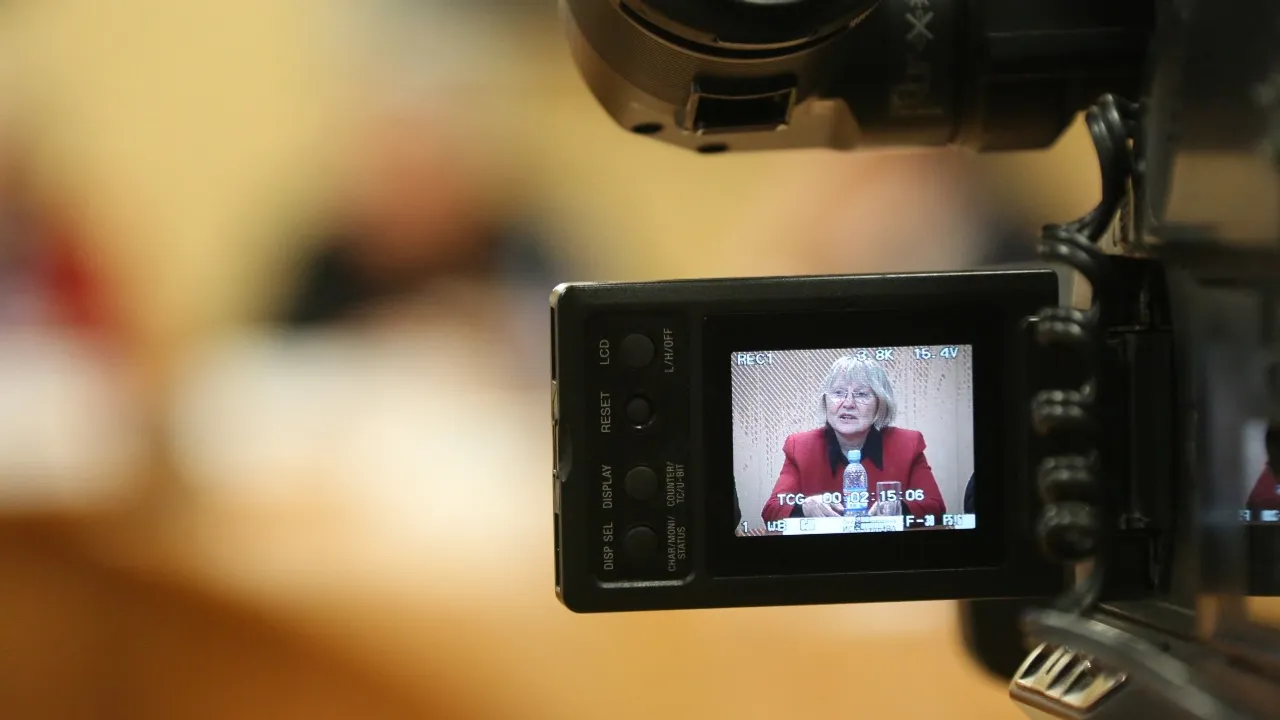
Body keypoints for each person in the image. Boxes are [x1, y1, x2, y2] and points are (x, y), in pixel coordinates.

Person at [760, 356, 947, 525]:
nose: (848, 403)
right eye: (838, 393)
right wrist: (804, 508)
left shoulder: (907, 445)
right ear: (825, 401)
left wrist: (898, 508)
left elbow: (935, 507)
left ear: (880, 404)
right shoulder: (800, 447)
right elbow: (771, 510)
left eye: (861, 394)